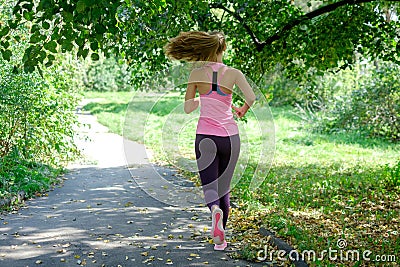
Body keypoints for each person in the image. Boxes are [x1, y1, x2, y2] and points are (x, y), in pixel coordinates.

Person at [164, 31, 256, 251]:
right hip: (230, 138)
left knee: (210, 186)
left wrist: (200, 100)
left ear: (205, 50)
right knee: (224, 187)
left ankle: (214, 210)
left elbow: (187, 108)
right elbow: (251, 98)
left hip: (205, 137)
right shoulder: (234, 73)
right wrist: (241, 109)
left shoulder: (196, 74)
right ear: (222, 49)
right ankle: (220, 239)